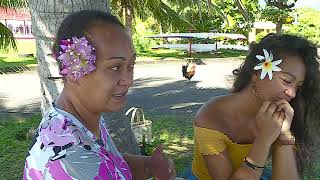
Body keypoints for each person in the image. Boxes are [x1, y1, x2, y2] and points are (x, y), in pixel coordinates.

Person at [23, 10, 176, 180]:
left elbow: (109, 164)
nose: (128, 80)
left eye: (131, 65)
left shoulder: (78, 120)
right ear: (74, 70)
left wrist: (149, 166)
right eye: (115, 67)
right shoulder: (70, 159)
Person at [191, 33, 320, 179]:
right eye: (287, 80)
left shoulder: (277, 115)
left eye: (298, 86)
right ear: (256, 72)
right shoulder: (210, 117)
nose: (292, 94)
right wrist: (263, 140)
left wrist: (283, 136)